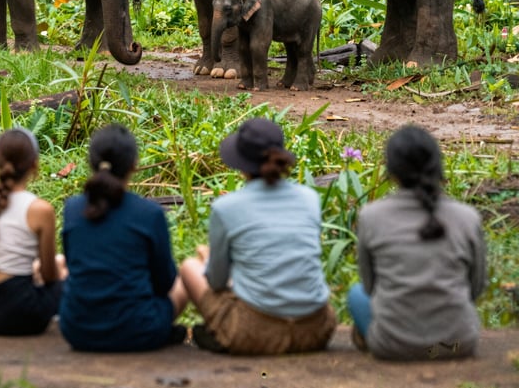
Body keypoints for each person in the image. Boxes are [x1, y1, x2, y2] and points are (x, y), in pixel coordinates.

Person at [180, 117, 336, 355]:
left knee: (190, 267)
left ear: (241, 164)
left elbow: (217, 282)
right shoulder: (310, 198)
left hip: (254, 333)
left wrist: (209, 260)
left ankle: (221, 333)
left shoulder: (226, 207)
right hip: (315, 329)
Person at [348, 124, 486, 360]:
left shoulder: (371, 216)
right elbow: (476, 287)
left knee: (357, 294)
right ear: (438, 165)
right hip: (457, 345)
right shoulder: (467, 217)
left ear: (391, 171)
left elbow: (371, 288)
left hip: (393, 346)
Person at [59, 123, 188, 351]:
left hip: (77, 330)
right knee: (185, 279)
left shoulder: (72, 208)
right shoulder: (150, 213)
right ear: (134, 165)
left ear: (91, 162)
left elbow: (71, 264)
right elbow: (165, 281)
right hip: (139, 330)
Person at [0, 127, 66, 335]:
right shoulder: (40, 209)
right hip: (18, 311)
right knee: (67, 275)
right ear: (34, 165)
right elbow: (49, 276)